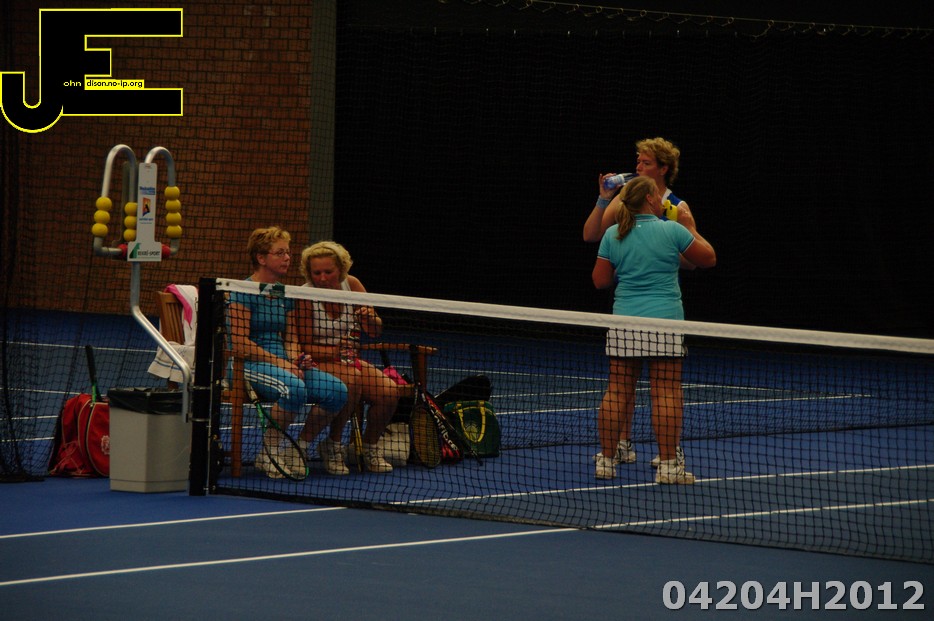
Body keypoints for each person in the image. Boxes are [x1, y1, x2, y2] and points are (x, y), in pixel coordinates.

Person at [591, 176, 715, 483]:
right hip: (664, 323)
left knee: (617, 391)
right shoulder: (672, 230)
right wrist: (689, 225)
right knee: (666, 392)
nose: (662, 201)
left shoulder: (612, 234)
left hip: (624, 323)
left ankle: (606, 461)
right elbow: (708, 258)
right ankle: (669, 466)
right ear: (648, 199)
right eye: (657, 197)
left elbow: (600, 281)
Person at [584, 136, 695, 468]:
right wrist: (604, 199)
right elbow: (592, 234)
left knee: (653, 387)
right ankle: (620, 445)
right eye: (638, 161)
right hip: (630, 303)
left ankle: (667, 453)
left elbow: (692, 261)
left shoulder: (677, 207)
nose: (638, 167)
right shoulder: (624, 198)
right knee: (624, 386)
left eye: (645, 162)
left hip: (661, 304)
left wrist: (664, 246)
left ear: (663, 168)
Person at [227, 227, 352, 479]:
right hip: (248, 365)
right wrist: (281, 363)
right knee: (294, 388)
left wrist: (297, 358)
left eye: (288, 252)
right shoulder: (243, 290)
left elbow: (291, 338)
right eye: (280, 253)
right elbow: (240, 344)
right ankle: (269, 453)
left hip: (283, 364)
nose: (287, 258)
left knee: (337, 391)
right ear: (261, 258)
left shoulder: (284, 293)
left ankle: (298, 449)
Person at [296, 241, 402, 474]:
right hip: (318, 361)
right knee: (351, 380)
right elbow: (304, 345)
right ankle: (333, 446)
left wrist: (370, 318)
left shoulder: (352, 285)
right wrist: (334, 352)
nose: (322, 278)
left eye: (328, 272)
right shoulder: (305, 295)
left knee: (389, 392)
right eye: (316, 273)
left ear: (341, 269)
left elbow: (374, 332)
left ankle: (368, 446)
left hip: (349, 361)